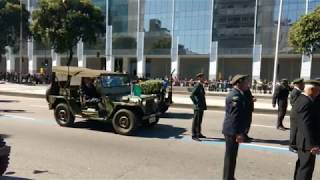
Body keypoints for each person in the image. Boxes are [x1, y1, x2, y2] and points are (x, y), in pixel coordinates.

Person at [222, 74, 250, 180]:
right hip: (232, 131)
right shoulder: (235, 96)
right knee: (230, 157)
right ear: (239, 83)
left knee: (232, 157)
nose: (247, 84)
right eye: (246, 82)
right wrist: (238, 133)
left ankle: (230, 177)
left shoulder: (239, 94)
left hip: (233, 130)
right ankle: (227, 178)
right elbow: (235, 117)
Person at [292, 80, 320, 180]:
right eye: (318, 90)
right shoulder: (305, 102)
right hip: (307, 143)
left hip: (305, 142)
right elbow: (305, 125)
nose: (319, 93)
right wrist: (312, 144)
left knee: (302, 167)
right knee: (305, 170)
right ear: (312, 89)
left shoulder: (304, 99)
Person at [190, 73, 207, 141]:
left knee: (199, 120)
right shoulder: (197, 85)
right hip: (198, 106)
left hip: (201, 106)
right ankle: (194, 135)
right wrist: (196, 102)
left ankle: (198, 133)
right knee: (196, 121)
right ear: (199, 78)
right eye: (203, 77)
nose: (204, 78)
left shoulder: (201, 85)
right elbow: (192, 95)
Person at [289, 78, 304, 152]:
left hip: (298, 114)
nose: (303, 85)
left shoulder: (298, 91)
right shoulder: (295, 92)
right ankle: (291, 146)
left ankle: (295, 144)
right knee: (294, 131)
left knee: (297, 131)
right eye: (302, 84)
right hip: (295, 114)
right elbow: (294, 104)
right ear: (298, 84)